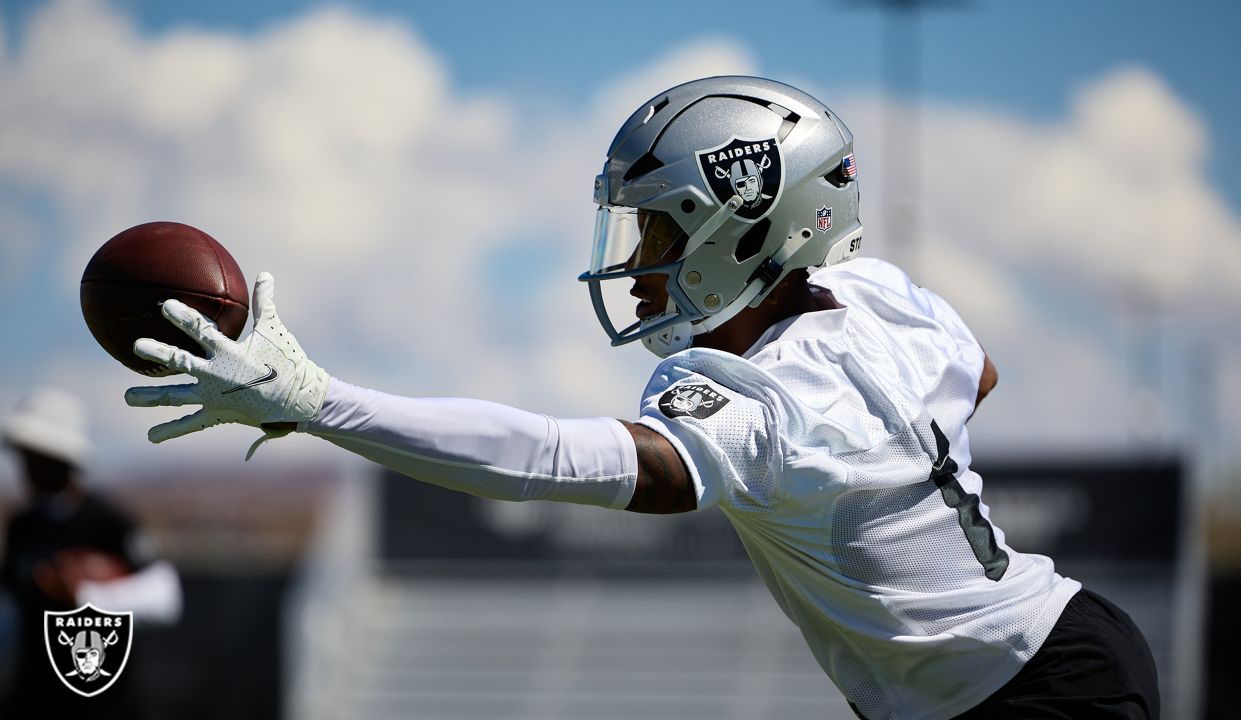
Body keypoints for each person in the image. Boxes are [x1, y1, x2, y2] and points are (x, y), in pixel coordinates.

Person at [123, 76, 1159, 718]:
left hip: (1024, 696)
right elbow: (975, 374)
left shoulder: (757, 402)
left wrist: (319, 401)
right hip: (1056, 650)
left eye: (660, 231)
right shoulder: (879, 296)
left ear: (752, 230)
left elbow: (551, 460)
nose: (641, 260)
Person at [2, 387, 182, 718]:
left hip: (103, 703)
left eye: (34, 454)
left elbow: (166, 596)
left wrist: (86, 593)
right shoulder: (22, 527)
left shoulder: (108, 522)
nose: (24, 465)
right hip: (33, 699)